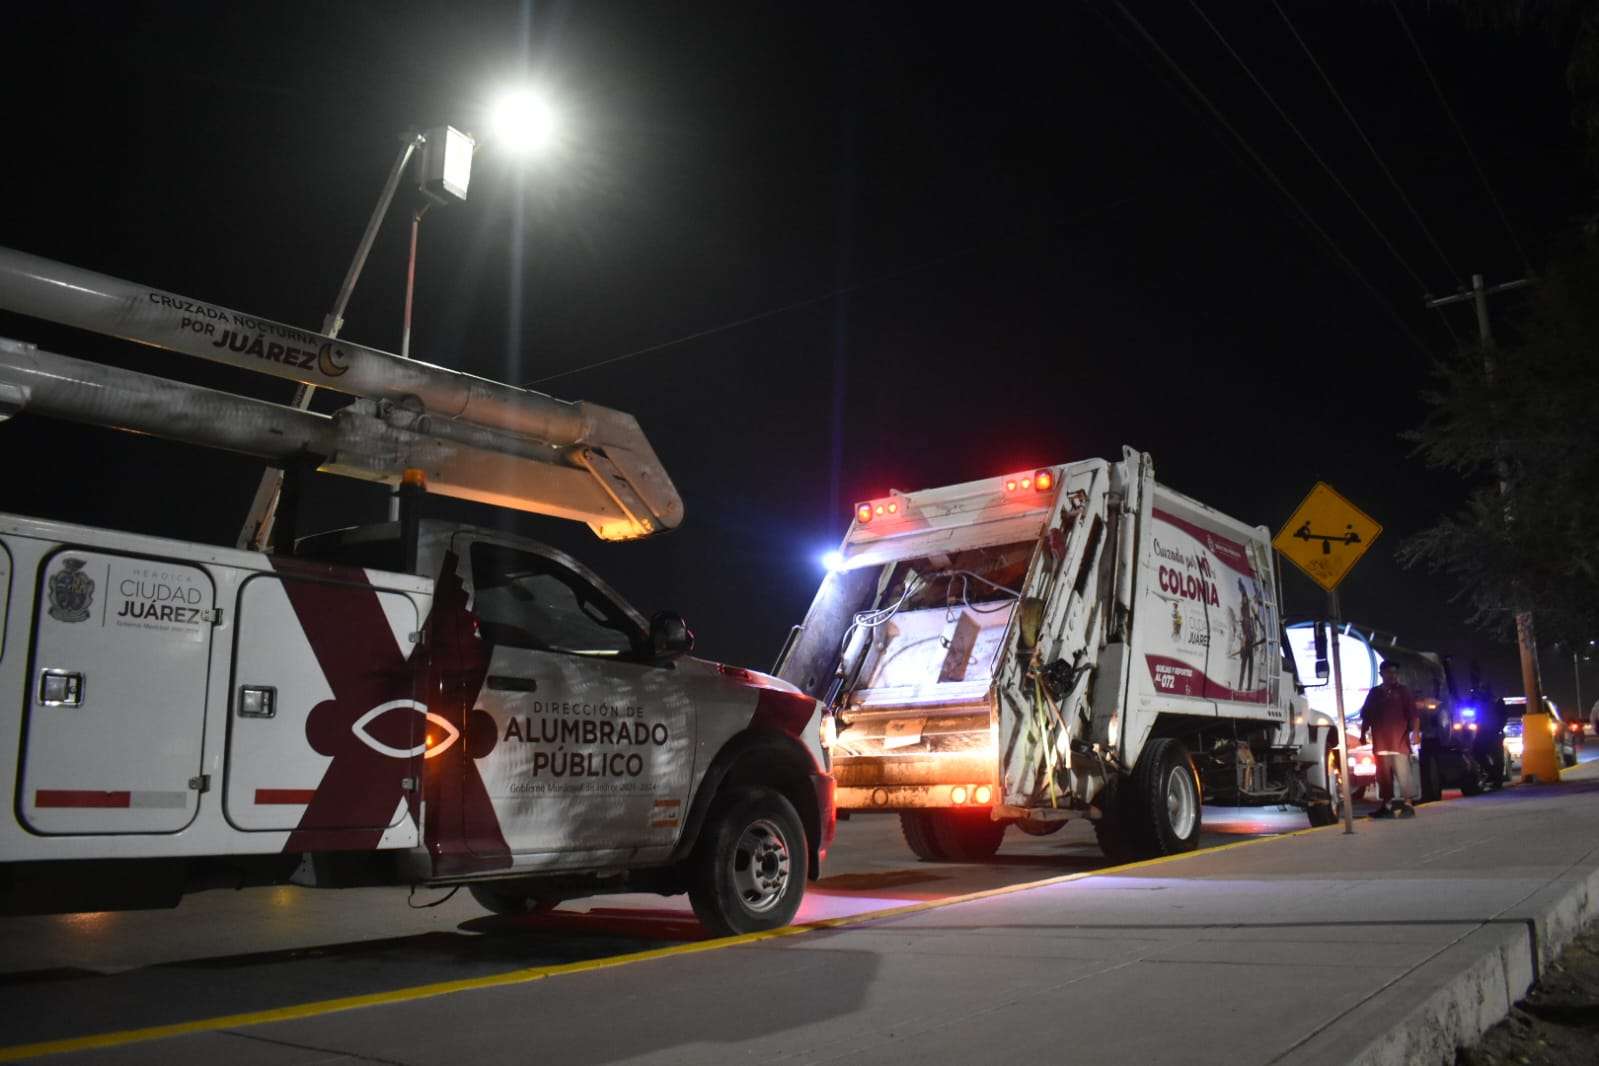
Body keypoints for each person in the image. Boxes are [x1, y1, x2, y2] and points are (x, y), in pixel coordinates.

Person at [1359, 661, 1421, 818]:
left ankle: (1408, 804)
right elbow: (1367, 714)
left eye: (1394, 672)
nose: (1392, 676)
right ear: (1381, 674)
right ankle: (1386, 805)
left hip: (1398, 742)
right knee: (1383, 777)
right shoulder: (1375, 693)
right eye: (1388, 672)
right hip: (1380, 743)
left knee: (1403, 774)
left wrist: (1415, 733)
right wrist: (1363, 733)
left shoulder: (1403, 692)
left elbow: (1413, 715)